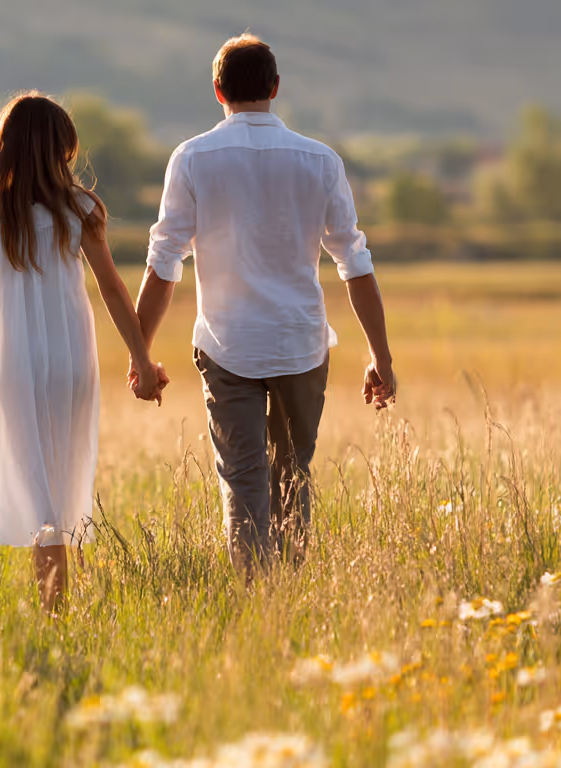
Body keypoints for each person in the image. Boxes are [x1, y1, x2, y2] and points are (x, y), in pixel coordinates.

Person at [132, 34, 397, 580]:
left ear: (217, 91)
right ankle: (291, 592)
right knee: (291, 473)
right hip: (301, 343)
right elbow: (355, 262)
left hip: (226, 347)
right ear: (275, 87)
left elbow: (164, 264)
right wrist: (381, 357)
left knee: (244, 478)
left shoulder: (191, 158)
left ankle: (258, 597)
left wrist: (140, 354)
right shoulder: (320, 160)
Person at [0, 92, 166, 612]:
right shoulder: (80, 208)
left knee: (35, 484)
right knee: (59, 477)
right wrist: (142, 361)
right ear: (59, 149)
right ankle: (57, 606)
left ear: (3, 147)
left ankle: (53, 610)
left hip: (10, 363)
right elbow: (114, 290)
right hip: (71, 359)